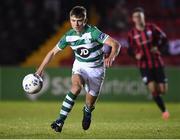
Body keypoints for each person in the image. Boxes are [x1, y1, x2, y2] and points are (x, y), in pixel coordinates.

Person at [36, 6, 120, 132]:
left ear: (85, 21)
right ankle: (60, 120)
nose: (76, 24)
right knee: (76, 87)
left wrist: (111, 57)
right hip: (80, 66)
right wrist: (40, 70)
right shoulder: (68, 36)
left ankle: (87, 110)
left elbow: (115, 44)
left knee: (89, 103)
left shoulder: (93, 32)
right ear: (70, 20)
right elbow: (52, 52)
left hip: (97, 70)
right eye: (73, 20)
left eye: (79, 20)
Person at [127, 7, 169, 120]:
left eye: (139, 16)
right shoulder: (131, 33)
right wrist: (135, 55)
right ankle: (164, 111)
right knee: (152, 88)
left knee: (163, 90)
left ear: (143, 17)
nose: (138, 19)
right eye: (136, 17)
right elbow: (129, 50)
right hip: (144, 65)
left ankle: (159, 97)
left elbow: (164, 38)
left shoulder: (152, 28)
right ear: (133, 19)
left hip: (157, 62)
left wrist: (158, 47)